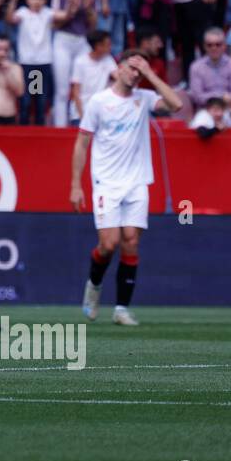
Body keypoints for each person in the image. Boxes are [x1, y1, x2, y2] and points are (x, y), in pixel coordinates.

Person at [69, 50, 181, 327]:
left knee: (131, 241)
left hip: (137, 181)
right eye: (131, 68)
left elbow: (176, 104)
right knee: (109, 244)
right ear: (118, 68)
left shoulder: (143, 99)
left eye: (139, 70)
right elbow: (82, 143)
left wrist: (151, 74)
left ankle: (121, 309)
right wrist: (75, 185)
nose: (134, 73)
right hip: (106, 182)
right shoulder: (99, 101)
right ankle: (93, 286)